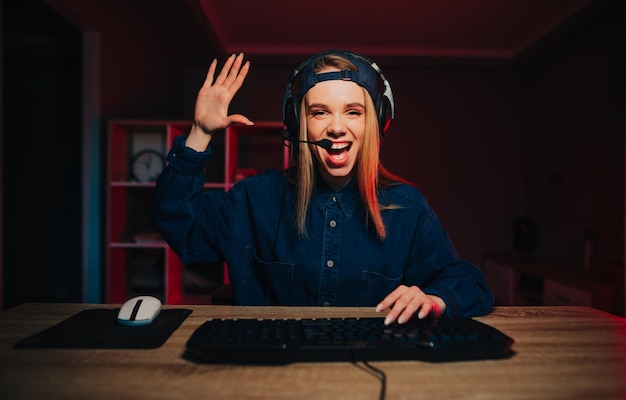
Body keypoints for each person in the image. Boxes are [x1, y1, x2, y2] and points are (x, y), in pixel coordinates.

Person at [154, 50, 494, 324]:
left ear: (376, 122)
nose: (336, 127)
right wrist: (200, 132)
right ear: (297, 121)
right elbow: (181, 226)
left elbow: (470, 284)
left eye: (353, 112)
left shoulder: (408, 207)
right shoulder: (254, 198)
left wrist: (435, 298)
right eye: (319, 112)